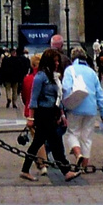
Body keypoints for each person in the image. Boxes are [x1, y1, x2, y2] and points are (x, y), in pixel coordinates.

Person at [19, 49, 68, 181]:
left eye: (58, 61)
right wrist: (31, 117)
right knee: (55, 141)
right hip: (43, 113)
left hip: (52, 112)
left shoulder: (53, 76)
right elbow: (33, 99)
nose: (57, 63)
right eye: (55, 61)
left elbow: (58, 96)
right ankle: (66, 170)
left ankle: (25, 170)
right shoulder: (40, 77)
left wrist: (61, 114)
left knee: (37, 143)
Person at [59, 46, 103, 181]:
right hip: (91, 108)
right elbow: (100, 94)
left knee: (72, 133)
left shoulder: (70, 70)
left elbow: (66, 88)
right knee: (87, 136)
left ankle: (78, 154)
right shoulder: (91, 72)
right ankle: (84, 165)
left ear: (72, 58)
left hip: (75, 107)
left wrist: (63, 105)